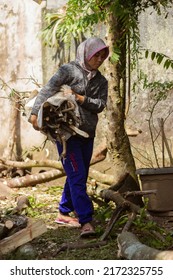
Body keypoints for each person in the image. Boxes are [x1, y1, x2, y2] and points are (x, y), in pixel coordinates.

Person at [30, 37, 109, 237]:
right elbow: (48, 89)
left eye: (102, 55)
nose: (99, 59)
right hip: (66, 133)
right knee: (77, 175)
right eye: (95, 55)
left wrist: (81, 98)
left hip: (87, 133)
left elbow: (100, 105)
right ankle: (86, 220)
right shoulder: (69, 71)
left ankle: (64, 212)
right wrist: (34, 113)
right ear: (86, 53)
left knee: (78, 174)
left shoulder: (101, 81)